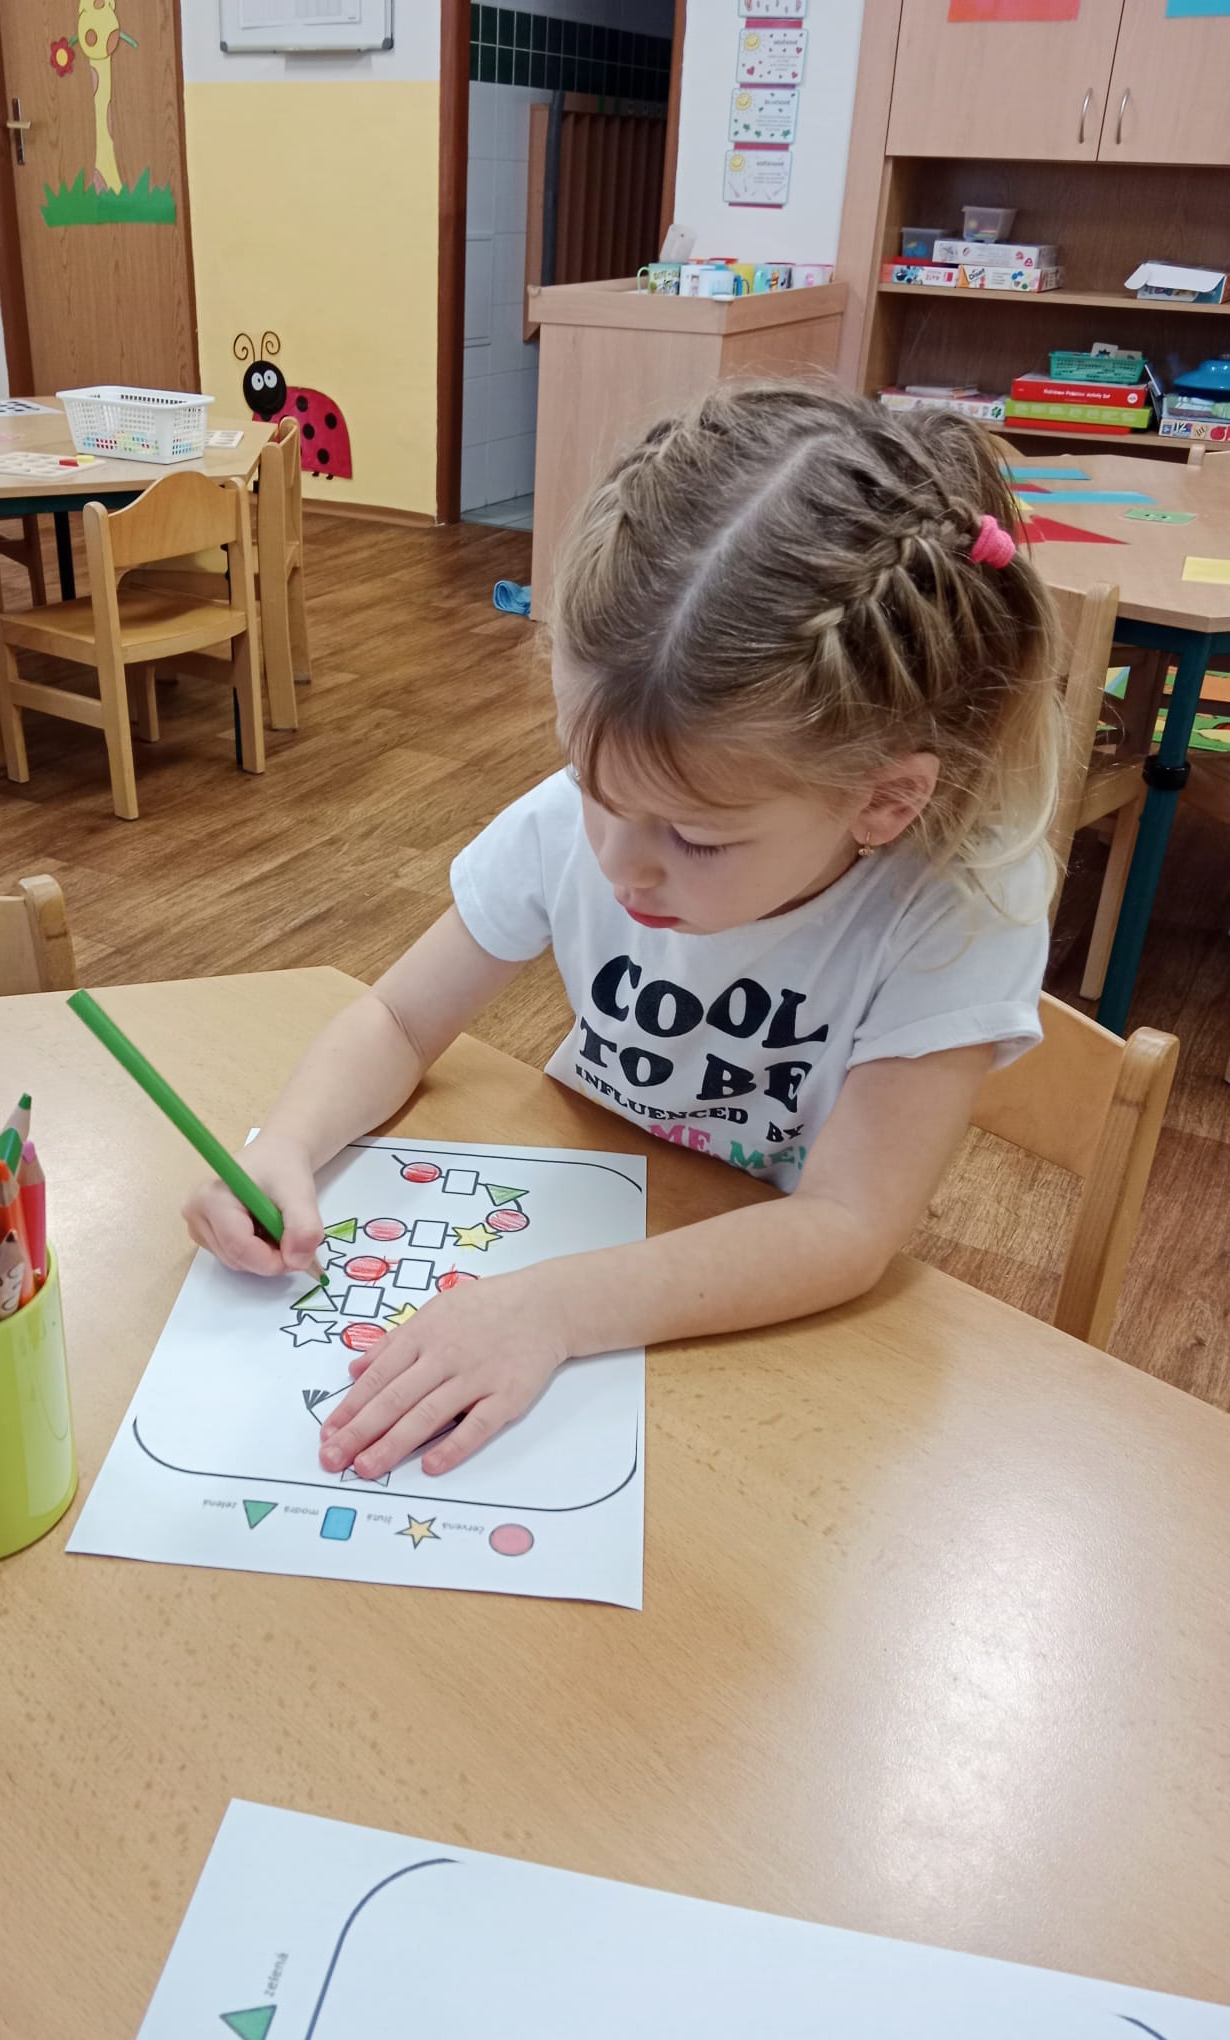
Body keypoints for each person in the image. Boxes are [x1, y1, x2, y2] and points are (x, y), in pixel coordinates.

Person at [185, 383, 1062, 1484]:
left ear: (883, 801)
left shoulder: (954, 908)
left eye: (696, 839)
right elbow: (399, 1019)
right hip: (579, 1211)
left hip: (744, 1316)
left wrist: (552, 1310)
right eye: (592, 786)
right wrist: (284, 1144)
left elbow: (847, 1227)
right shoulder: (584, 821)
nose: (619, 862)